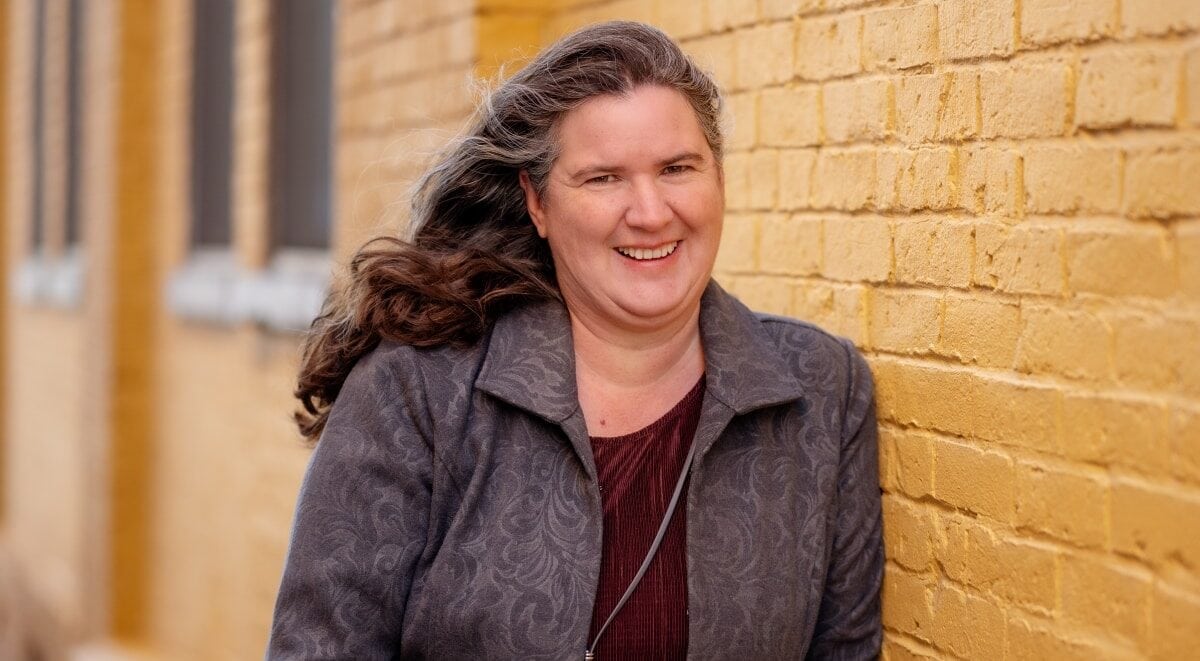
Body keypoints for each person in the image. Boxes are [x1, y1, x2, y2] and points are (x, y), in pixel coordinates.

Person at [268, 20, 882, 660]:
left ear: (719, 178)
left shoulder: (821, 392)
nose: (649, 212)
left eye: (677, 168)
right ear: (536, 203)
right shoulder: (419, 393)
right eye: (604, 178)